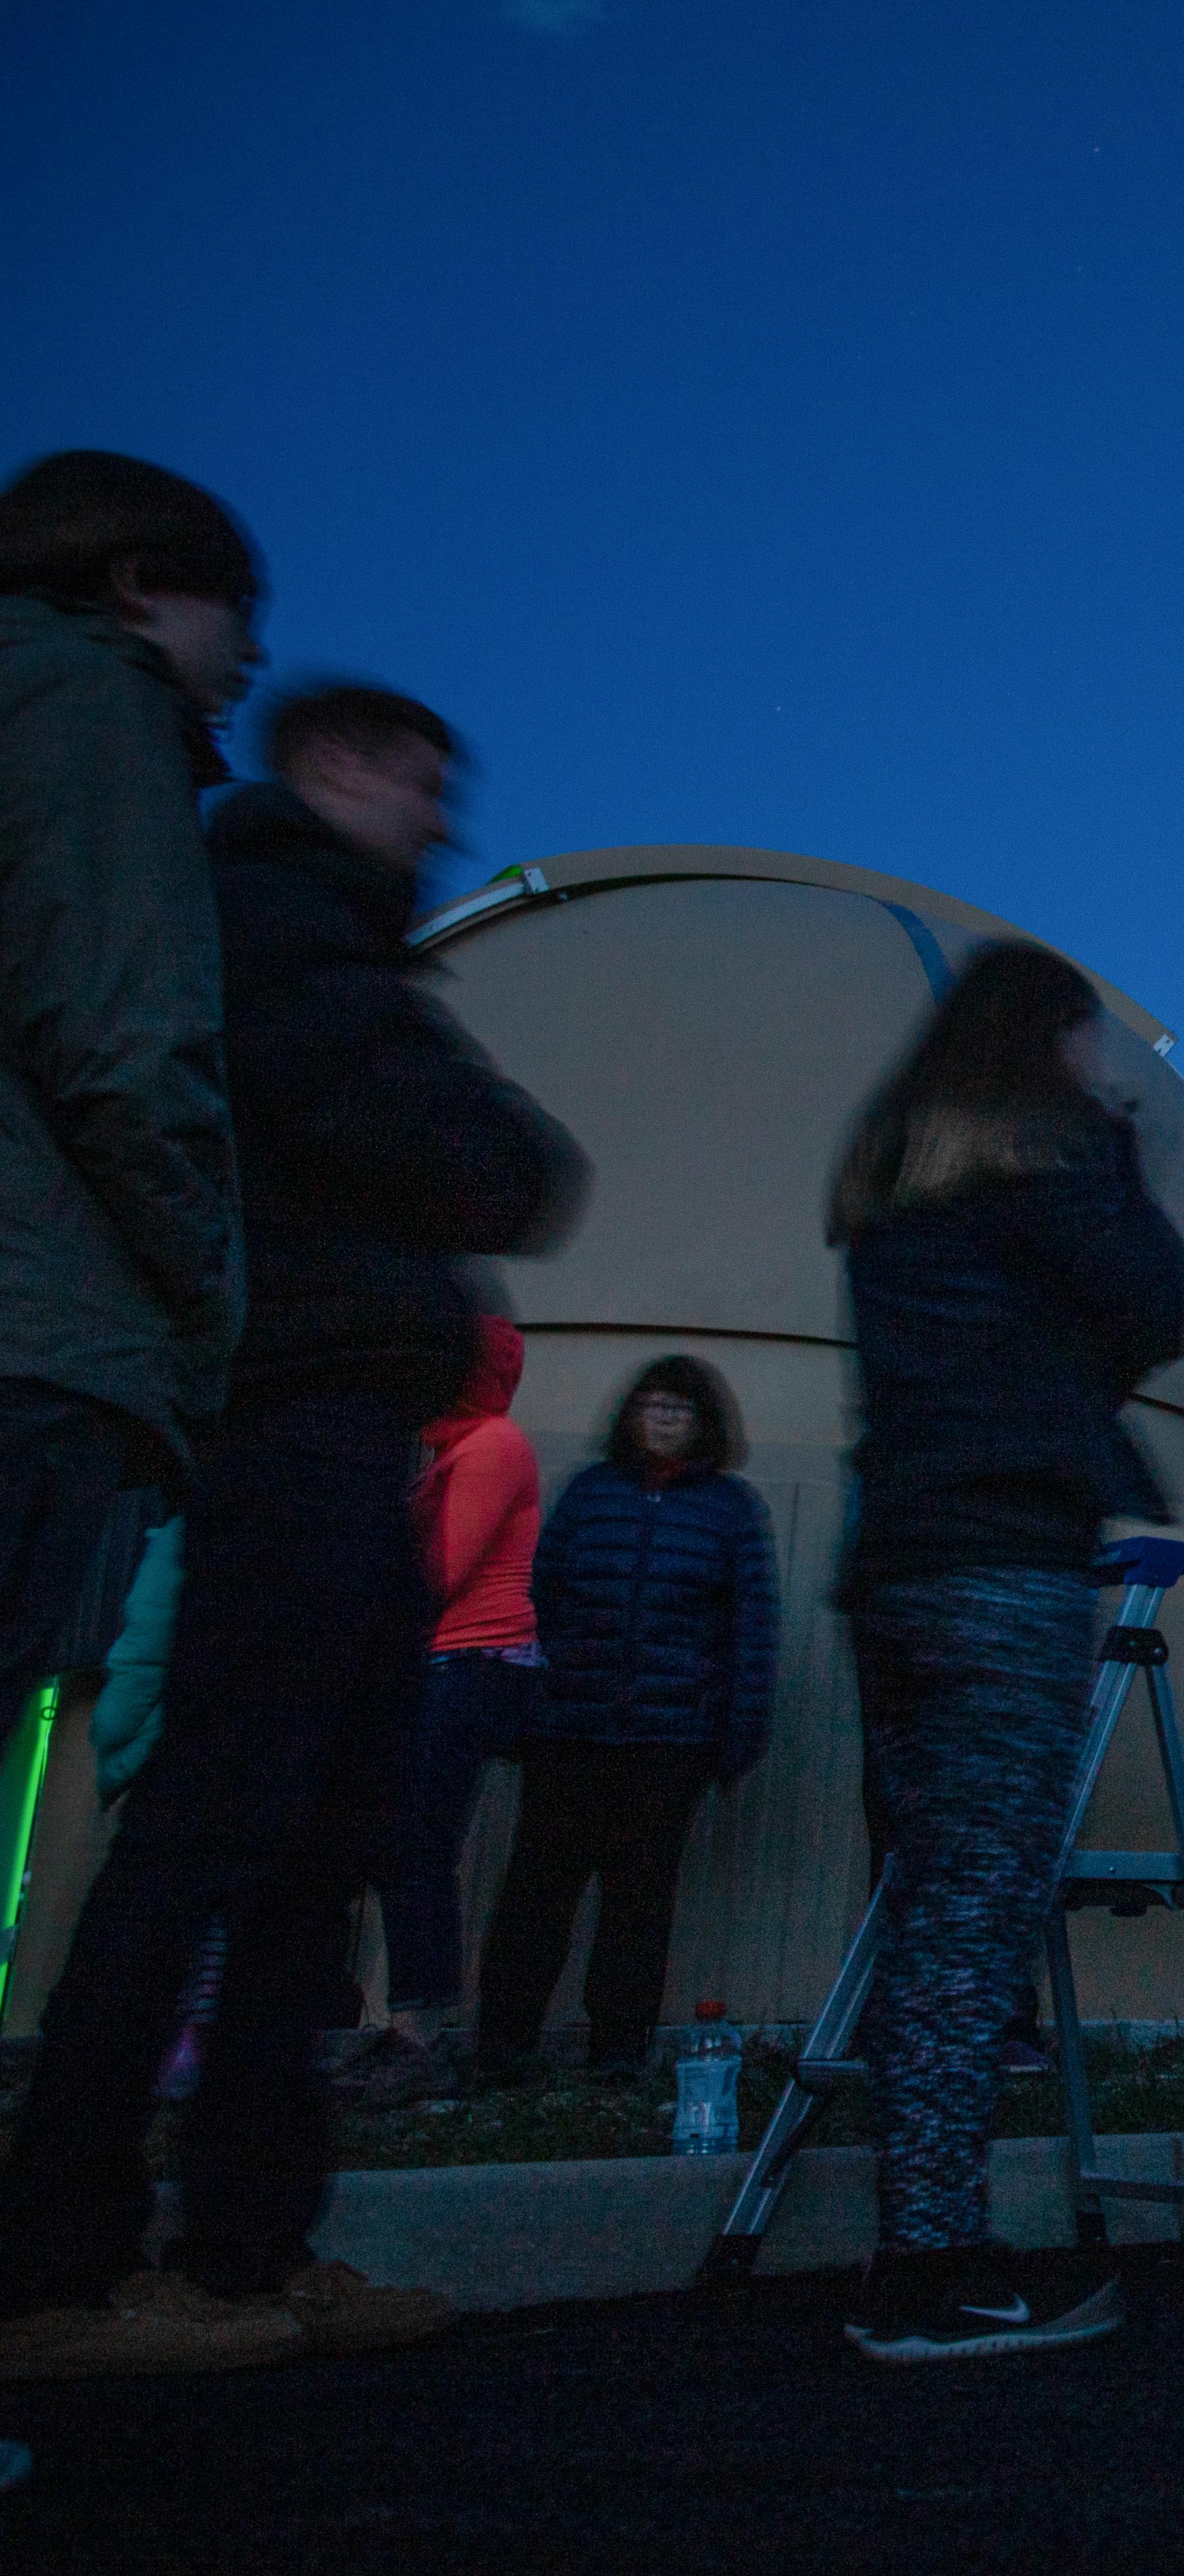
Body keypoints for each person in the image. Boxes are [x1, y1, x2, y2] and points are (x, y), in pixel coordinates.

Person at [0, 679, 577, 2380]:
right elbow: (489, 1155)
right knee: (216, 1835)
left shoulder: (335, 945)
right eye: (417, 777)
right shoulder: (268, 923)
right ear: (332, 764)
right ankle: (60, 2259)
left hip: (350, 1427)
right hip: (286, 1417)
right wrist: (449, 1150)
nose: (437, 817)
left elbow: (511, 1167)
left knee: (315, 1854)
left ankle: (249, 2241)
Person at [831, 941, 1184, 2359]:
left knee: (937, 1906)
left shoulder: (901, 1195)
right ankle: (932, 2268)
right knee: (977, 1922)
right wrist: (1118, 1149)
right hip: (1005, 1568)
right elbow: (1163, 1307)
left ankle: (928, 2245)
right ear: (1047, 1045)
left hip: (903, 1566)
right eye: (1088, 1045)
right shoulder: (1050, 1177)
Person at [0, 452, 257, 2401]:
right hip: (42, 1336)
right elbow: (128, 1038)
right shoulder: (85, 703)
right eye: (231, 622)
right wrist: (199, 1317)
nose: (241, 673)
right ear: (145, 587)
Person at [471, 1354, 778, 2086]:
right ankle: (504, 2048)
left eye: (680, 1408)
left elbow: (752, 1631)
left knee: (639, 1904)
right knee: (536, 1895)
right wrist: (520, 1706)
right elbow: (537, 1596)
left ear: (705, 1424)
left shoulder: (732, 1510)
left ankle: (617, 2053)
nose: (665, 1418)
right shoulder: (589, 1494)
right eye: (654, 1404)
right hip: (568, 1730)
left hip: (669, 1742)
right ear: (631, 1414)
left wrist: (738, 1736)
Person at [338, 1314, 545, 2109]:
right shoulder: (447, 1451)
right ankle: (409, 2032)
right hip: (442, 1662)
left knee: (416, 1845)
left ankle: (420, 2038)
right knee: (405, 1845)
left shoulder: (491, 1444)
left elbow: (442, 1570)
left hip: (470, 1661)